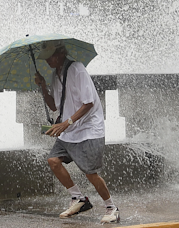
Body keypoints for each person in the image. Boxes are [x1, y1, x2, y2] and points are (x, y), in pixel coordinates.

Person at [34, 40, 120, 224]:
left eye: (49, 57)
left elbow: (88, 102)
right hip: (70, 130)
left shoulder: (77, 69)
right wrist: (42, 85)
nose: (47, 61)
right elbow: (54, 105)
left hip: (89, 129)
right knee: (53, 161)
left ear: (59, 54)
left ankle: (112, 207)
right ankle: (79, 199)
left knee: (90, 172)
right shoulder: (54, 75)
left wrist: (67, 123)